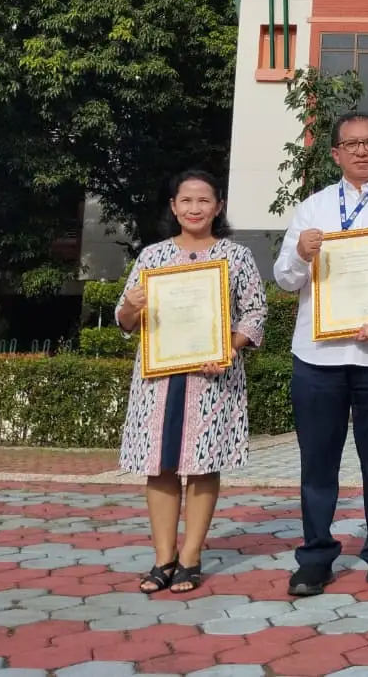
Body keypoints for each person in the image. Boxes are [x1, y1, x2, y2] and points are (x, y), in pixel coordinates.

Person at [273, 111, 368, 597]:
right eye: (351, 144)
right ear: (335, 153)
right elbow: (285, 279)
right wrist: (300, 252)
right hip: (318, 355)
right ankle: (315, 556)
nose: (362, 151)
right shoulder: (312, 208)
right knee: (317, 461)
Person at [116, 170, 268, 594]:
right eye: (186, 200)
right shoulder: (152, 258)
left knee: (203, 464)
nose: (195, 208)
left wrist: (228, 348)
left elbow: (256, 312)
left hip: (212, 379)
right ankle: (163, 558)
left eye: (204, 200)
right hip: (159, 379)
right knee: (160, 465)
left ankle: (190, 558)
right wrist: (131, 305)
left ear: (218, 206)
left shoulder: (236, 257)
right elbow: (125, 320)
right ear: (174, 206)